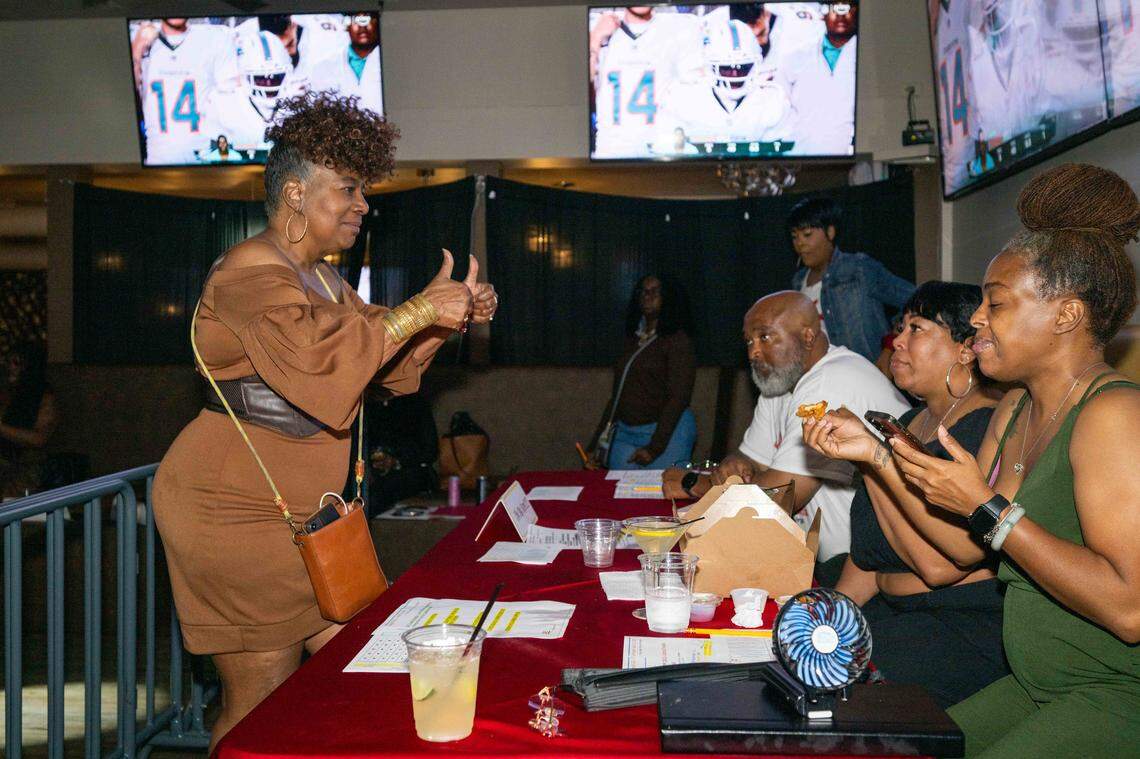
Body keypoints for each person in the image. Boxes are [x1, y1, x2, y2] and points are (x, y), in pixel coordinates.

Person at [151, 92, 499, 751]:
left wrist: (444, 318)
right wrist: (421, 309)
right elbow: (318, 362)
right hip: (235, 515)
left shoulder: (325, 283)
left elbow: (385, 369)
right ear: (293, 196)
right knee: (261, 703)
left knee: (364, 669)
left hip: (308, 519)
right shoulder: (248, 273)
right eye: (348, 189)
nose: (364, 205)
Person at [888, 164, 1140, 757]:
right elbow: (964, 550)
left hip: (1116, 693)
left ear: (1066, 315)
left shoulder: (1114, 416)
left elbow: (1130, 609)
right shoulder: (1015, 409)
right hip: (1039, 685)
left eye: (995, 304)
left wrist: (988, 508)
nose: (976, 318)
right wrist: (882, 461)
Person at [802, 281, 1008, 708]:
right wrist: (828, 620)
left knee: (843, 691)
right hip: (896, 610)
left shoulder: (981, 431)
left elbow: (938, 567)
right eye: (901, 327)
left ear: (966, 349)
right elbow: (870, 554)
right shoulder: (907, 422)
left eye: (916, 328)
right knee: (801, 638)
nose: (897, 340)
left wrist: (873, 460)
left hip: (956, 626)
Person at [712, 291, 910, 584]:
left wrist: (702, 484)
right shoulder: (780, 381)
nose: (753, 352)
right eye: (749, 342)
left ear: (807, 336)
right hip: (822, 561)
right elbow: (749, 460)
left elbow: (776, 500)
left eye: (764, 337)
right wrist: (732, 464)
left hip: (871, 571)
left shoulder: (831, 381)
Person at [788, 196, 916, 362]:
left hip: (868, 374)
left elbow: (915, 299)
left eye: (807, 234)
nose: (800, 243)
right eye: (794, 237)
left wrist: (890, 346)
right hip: (827, 378)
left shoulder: (858, 268)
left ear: (830, 232)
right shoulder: (798, 281)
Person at [589, 275, 697, 470]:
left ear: (668, 297)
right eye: (644, 291)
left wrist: (655, 447)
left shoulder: (677, 341)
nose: (648, 296)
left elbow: (679, 397)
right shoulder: (631, 339)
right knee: (620, 493)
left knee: (659, 494)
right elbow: (617, 397)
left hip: (667, 433)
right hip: (626, 432)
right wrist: (595, 445)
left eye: (655, 291)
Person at [131, 17, 239, 164]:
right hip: (159, 162)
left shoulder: (212, 38)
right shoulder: (141, 40)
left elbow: (232, 102)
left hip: (205, 160)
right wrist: (136, 52)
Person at [786, 2, 858, 156]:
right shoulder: (797, 56)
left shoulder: (869, 57)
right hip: (798, 158)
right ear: (822, 13)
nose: (840, 15)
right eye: (834, 9)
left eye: (847, 8)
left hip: (853, 158)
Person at [362, 385, 438, 516]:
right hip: (372, 472)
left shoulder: (414, 403)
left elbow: (430, 450)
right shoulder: (367, 406)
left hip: (409, 470)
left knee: (382, 492)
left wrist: (396, 460)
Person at [0, 342, 56, 499]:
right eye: (8, 362)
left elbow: (38, 439)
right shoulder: (8, 392)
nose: (9, 367)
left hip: (27, 466)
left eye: (16, 363)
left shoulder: (43, 397)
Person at [308, 12, 383, 116]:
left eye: (367, 18)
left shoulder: (392, 61)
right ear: (346, 24)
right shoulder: (323, 68)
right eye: (355, 19)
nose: (362, 26)